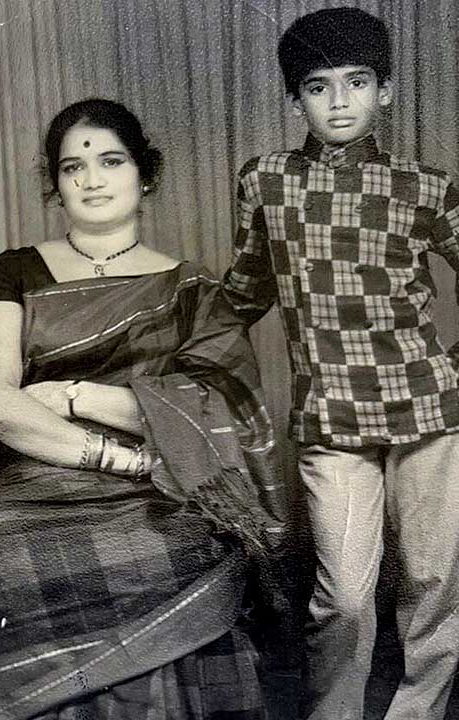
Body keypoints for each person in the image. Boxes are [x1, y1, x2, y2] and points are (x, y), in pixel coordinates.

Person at [0, 98, 287, 719]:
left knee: (183, 548)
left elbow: (221, 411)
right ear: (55, 186)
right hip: (38, 478)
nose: (92, 178)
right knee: (6, 562)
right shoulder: (14, 272)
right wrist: (114, 454)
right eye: (73, 167)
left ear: (145, 174)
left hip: (163, 478)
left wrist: (80, 395)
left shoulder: (192, 288)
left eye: (110, 160)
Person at [219, 7, 459, 719]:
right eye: (319, 87)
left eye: (357, 83)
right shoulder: (265, 181)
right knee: (346, 596)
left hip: (429, 410)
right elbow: (246, 288)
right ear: (296, 100)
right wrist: (174, 338)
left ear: (384, 91)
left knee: (432, 579)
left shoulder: (428, 186)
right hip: (330, 414)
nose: (340, 101)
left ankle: (418, 711)